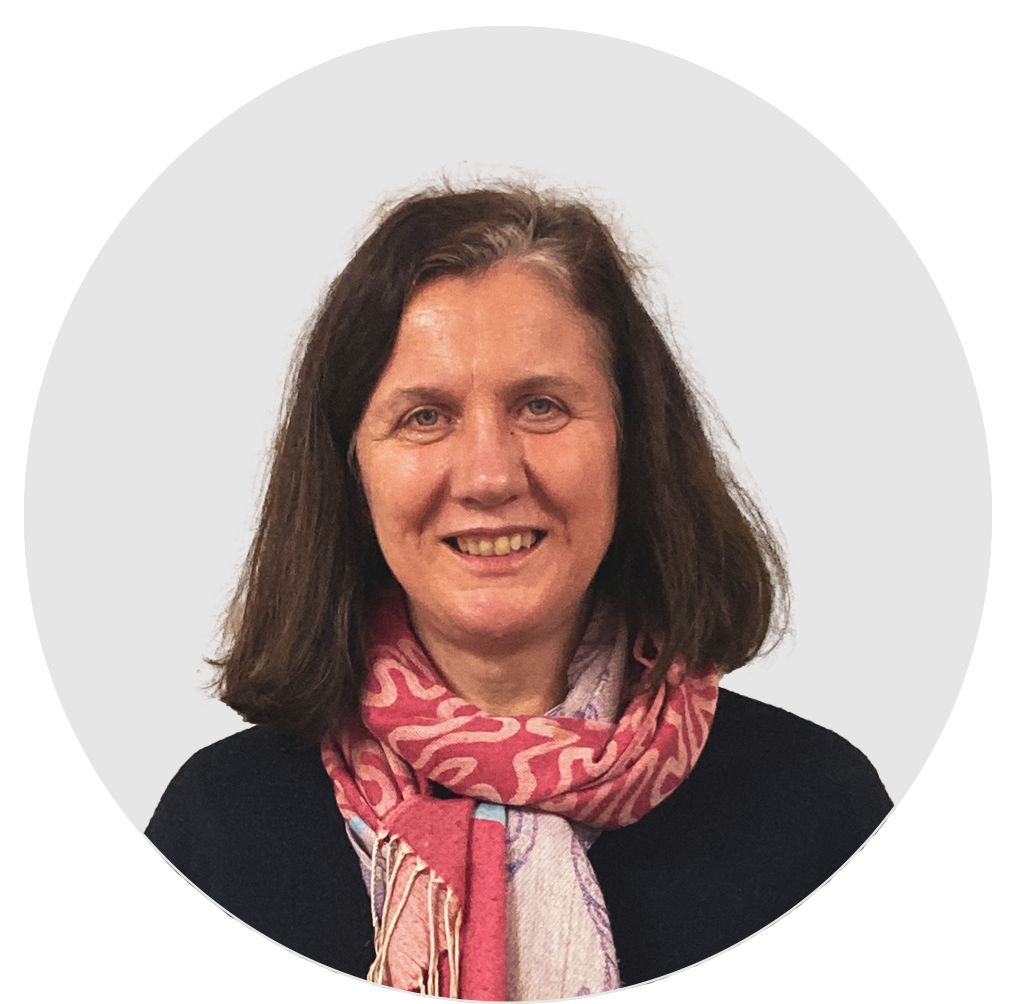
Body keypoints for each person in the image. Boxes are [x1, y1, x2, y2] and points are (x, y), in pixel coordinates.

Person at [146, 183, 892, 1000]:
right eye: (425, 416)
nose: (489, 476)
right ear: (351, 471)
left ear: (631, 445)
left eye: (541, 406)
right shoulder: (215, 834)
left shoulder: (822, 816)